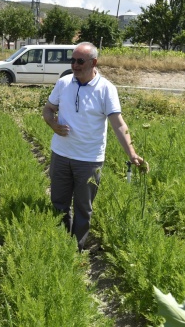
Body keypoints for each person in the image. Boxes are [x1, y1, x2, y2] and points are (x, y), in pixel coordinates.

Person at [42, 41, 147, 252]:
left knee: (83, 208)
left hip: (89, 160)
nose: (74, 65)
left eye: (80, 61)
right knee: (59, 203)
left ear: (94, 62)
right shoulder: (63, 83)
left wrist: (132, 153)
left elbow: (118, 124)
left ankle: (76, 250)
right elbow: (48, 109)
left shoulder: (106, 89)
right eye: (72, 60)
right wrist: (53, 124)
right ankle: (61, 246)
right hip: (61, 155)